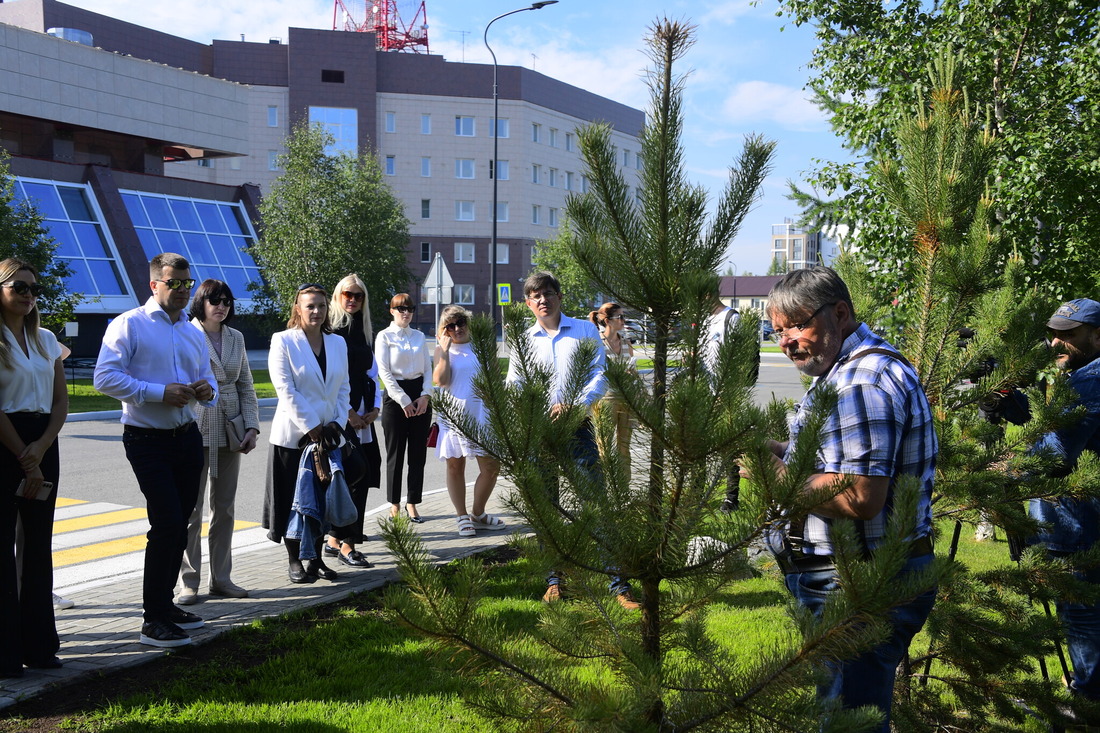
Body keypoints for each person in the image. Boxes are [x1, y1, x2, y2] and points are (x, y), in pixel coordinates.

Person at [755, 267, 937, 731]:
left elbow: (860, 497)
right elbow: (842, 461)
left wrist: (777, 474)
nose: (787, 342)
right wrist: (785, 450)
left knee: (845, 721)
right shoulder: (855, 367)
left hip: (858, 584)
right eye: (777, 331)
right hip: (855, 578)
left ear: (839, 313)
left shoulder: (859, 382)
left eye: (796, 325)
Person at [94, 252, 217, 648]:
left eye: (187, 283)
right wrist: (157, 392)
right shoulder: (128, 324)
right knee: (165, 524)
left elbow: (207, 379)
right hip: (147, 439)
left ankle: (166, 606)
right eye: (173, 283)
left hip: (187, 437)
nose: (182, 291)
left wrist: (206, 390)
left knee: (180, 523)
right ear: (154, 285)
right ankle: (152, 620)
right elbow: (104, 377)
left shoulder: (192, 331)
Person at [506, 271, 638, 610]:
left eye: (548, 293)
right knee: (547, 508)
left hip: (577, 427)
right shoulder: (524, 339)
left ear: (559, 296)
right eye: (535, 296)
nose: (542, 300)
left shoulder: (582, 330)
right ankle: (555, 580)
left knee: (596, 503)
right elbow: (514, 384)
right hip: (540, 431)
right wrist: (534, 408)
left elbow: (599, 374)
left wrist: (576, 406)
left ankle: (618, 584)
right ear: (527, 303)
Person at [1027, 298, 1100, 702]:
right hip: (1079, 519)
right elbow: (1052, 429)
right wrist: (1012, 404)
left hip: (1078, 523)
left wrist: (1007, 465)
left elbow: (1054, 455)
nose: (1056, 343)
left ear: (1097, 335)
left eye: (1069, 335)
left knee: (1082, 613)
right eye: (1053, 333)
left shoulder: (1091, 379)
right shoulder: (1084, 374)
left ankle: (1088, 702)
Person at [0, 258, 67, 676]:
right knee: (2, 551)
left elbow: (60, 401)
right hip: (5, 444)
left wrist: (40, 448)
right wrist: (25, 455)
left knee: (37, 548)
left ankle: (40, 646)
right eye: (18, 287)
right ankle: (5, 654)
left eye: (31, 288)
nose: (27, 295)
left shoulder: (46, 339)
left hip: (44, 443)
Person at [176, 280, 260, 605]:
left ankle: (221, 578)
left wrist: (251, 426)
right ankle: (188, 582)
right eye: (214, 300)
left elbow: (246, 385)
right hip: (194, 425)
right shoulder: (187, 332)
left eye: (226, 301)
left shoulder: (236, 337)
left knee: (223, 507)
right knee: (191, 509)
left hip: (231, 428)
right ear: (201, 303)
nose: (221, 306)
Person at [263, 284, 350, 584]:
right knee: (294, 501)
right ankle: (294, 560)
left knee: (323, 500)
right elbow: (285, 389)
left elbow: (344, 388)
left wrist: (337, 424)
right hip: (294, 438)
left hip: (328, 437)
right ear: (297, 309)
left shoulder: (337, 343)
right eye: (309, 306)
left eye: (321, 306)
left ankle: (316, 560)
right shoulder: (283, 341)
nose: (316, 311)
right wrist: (312, 425)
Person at [324, 274, 382, 568]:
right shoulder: (332, 330)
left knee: (362, 474)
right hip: (341, 415)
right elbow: (331, 378)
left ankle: (339, 539)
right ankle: (343, 542)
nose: (353, 300)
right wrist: (348, 413)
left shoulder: (363, 329)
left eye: (359, 296)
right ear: (338, 295)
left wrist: (374, 409)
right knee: (351, 474)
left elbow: (371, 375)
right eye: (348, 294)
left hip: (363, 413)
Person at [433, 306, 503, 537]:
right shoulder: (442, 350)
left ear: (468, 323)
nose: (456, 328)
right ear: (444, 330)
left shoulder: (483, 346)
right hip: (455, 414)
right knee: (455, 466)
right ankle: (461, 515)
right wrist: (444, 350)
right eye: (450, 326)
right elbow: (441, 381)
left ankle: (478, 513)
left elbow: (495, 379)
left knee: (491, 468)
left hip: (483, 413)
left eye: (460, 322)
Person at [376, 293, 432, 523]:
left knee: (417, 454)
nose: (406, 313)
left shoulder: (419, 337)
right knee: (395, 454)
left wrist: (425, 395)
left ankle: (412, 503)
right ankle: (394, 504)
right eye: (401, 309)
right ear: (392, 311)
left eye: (410, 309)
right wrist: (404, 400)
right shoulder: (384, 336)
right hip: (395, 397)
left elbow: (428, 369)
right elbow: (384, 372)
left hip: (420, 397)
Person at [702, 291, 746, 513]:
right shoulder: (702, 320)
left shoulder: (731, 318)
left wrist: (727, 390)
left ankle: (731, 498)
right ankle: (696, 494)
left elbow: (741, 359)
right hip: (703, 392)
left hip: (725, 392)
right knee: (698, 445)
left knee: (729, 447)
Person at [588, 302, 635, 469]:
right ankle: (606, 488)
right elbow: (592, 371)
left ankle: (623, 489)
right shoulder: (597, 343)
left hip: (626, 398)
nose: (623, 320)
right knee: (604, 447)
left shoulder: (626, 342)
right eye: (619, 317)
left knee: (624, 448)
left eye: (624, 317)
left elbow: (632, 368)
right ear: (607, 321)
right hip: (605, 399)